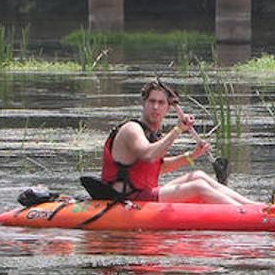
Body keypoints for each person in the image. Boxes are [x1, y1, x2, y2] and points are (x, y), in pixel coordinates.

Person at [100, 79, 258, 205]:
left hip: (144, 193)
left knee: (198, 176)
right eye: (151, 101)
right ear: (144, 103)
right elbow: (148, 156)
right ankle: (248, 214)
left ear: (167, 108)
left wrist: (192, 155)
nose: (155, 107)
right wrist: (177, 130)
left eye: (161, 103)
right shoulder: (132, 129)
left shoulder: (153, 134)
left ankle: (255, 206)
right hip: (128, 198)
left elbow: (157, 168)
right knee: (198, 187)